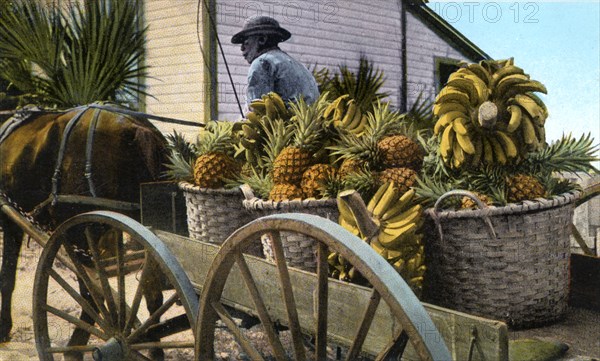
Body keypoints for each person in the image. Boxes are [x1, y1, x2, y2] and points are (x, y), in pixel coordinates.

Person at [231, 16, 320, 106]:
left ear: (262, 40)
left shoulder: (262, 63)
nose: (242, 48)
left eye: (245, 42)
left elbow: (257, 111)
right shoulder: (297, 65)